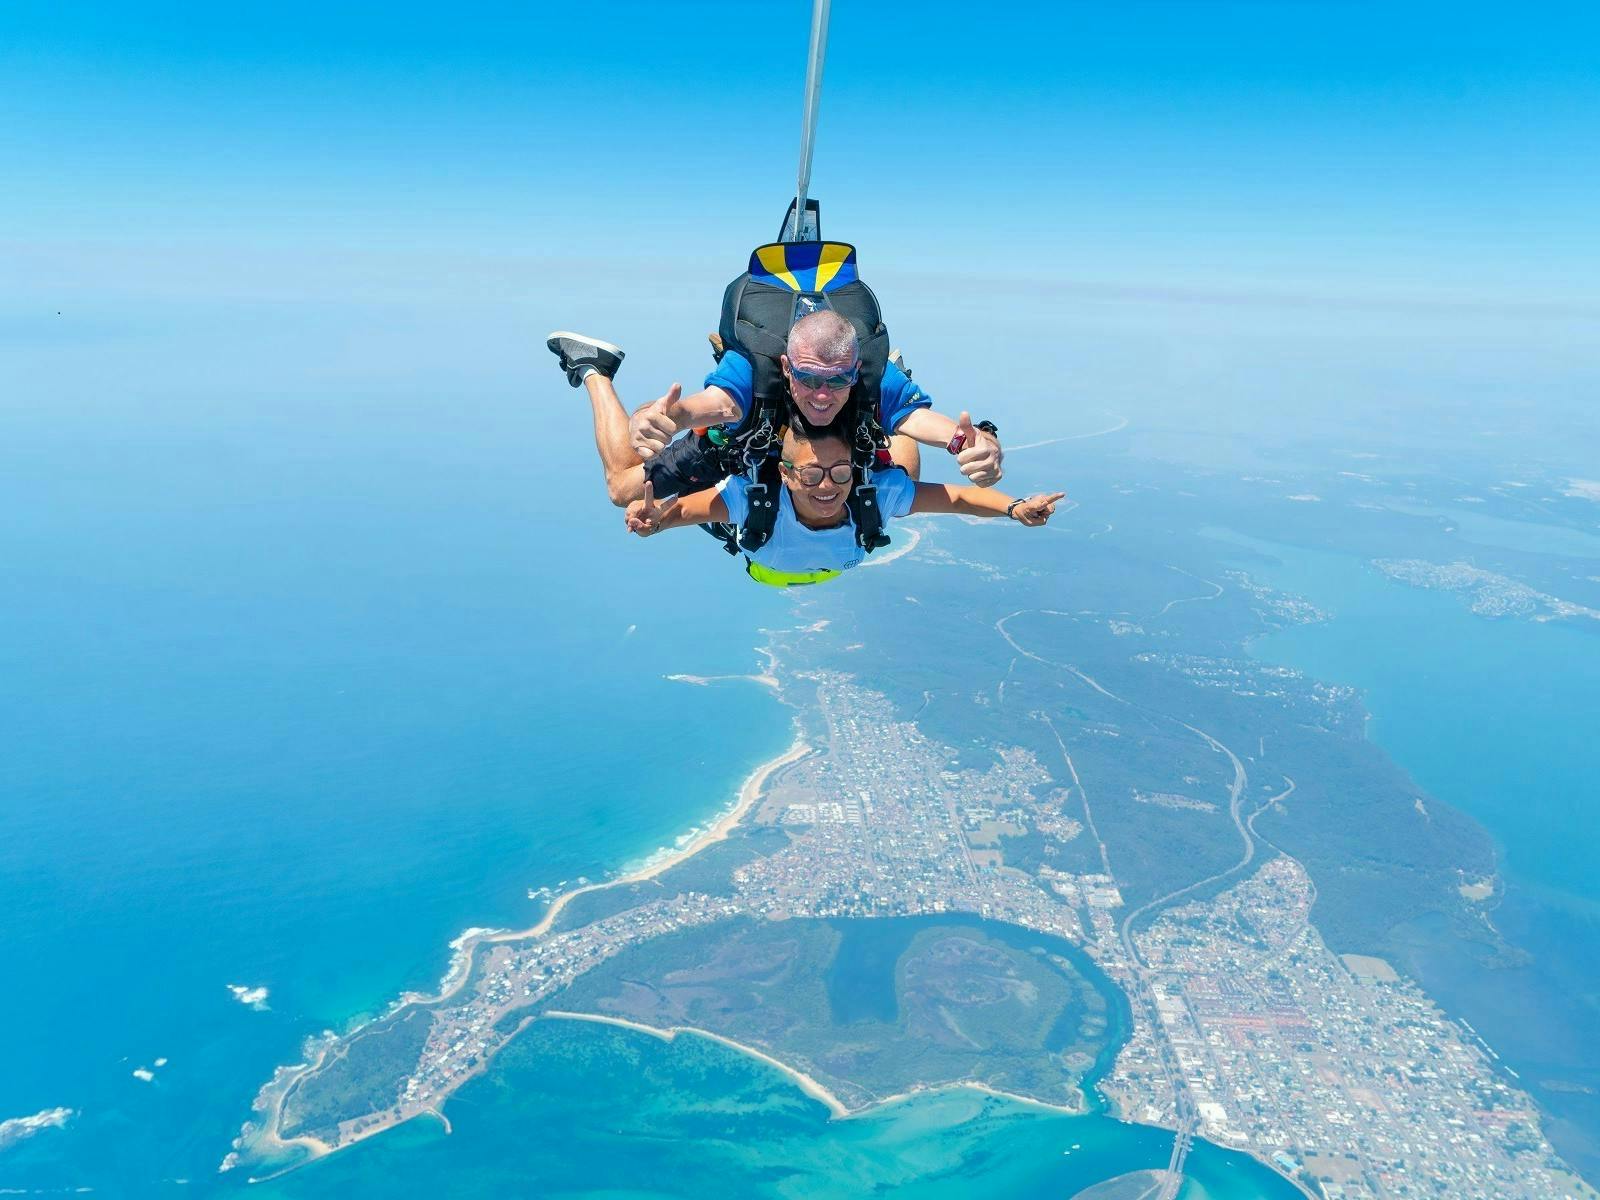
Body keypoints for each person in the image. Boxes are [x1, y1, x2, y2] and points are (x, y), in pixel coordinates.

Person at [546, 316, 1003, 509]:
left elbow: (927, 424)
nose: (822, 395)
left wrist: (975, 443)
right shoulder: (752, 372)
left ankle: (891, 399)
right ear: (785, 366)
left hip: (843, 446)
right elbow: (713, 405)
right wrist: (664, 417)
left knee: (901, 463)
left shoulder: (869, 378)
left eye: (837, 380)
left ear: (855, 368)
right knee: (622, 489)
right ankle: (595, 368)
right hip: (739, 444)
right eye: (808, 379)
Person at [622, 419, 1064, 588]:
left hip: (771, 559)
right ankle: (595, 371)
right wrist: (654, 519)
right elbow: (678, 511)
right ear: (786, 474)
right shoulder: (754, 499)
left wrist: (1014, 508)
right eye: (812, 474)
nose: (828, 487)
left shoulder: (867, 491)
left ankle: (890, 410)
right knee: (621, 487)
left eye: (840, 472)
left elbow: (962, 498)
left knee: (895, 476)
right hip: (777, 551)